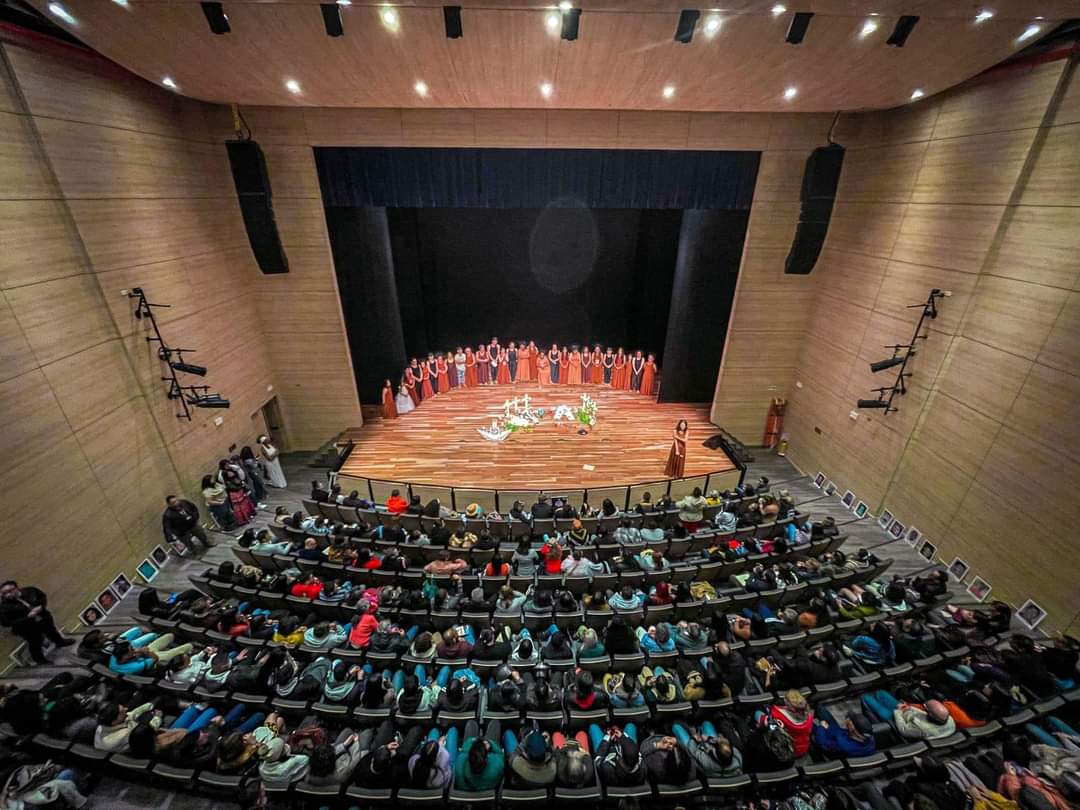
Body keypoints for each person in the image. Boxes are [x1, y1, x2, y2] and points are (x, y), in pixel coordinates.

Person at [0, 581, 75, 664]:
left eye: (10, 590)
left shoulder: (30, 591)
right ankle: (40, 660)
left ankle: (60, 642)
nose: (9, 594)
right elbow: (6, 623)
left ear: (16, 588)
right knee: (35, 643)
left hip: (43, 617)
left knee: (51, 631)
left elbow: (42, 596)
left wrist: (41, 606)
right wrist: (27, 617)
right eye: (5, 593)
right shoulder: (4, 607)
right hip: (27, 628)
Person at [861, 691, 957, 740]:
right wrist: (909, 707)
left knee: (865, 698)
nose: (924, 707)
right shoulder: (948, 719)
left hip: (895, 721)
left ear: (931, 715)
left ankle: (869, 718)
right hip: (907, 712)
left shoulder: (923, 729)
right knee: (880, 693)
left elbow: (903, 730)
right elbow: (923, 713)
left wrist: (898, 711)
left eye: (926, 708)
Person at [454, 721, 505, 791]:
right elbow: (500, 754)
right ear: (487, 756)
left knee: (472, 724)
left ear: (469, 756)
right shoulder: (497, 765)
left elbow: (464, 749)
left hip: (466, 791)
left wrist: (474, 741)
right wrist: (490, 744)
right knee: (495, 723)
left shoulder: (459, 765)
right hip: (489, 788)